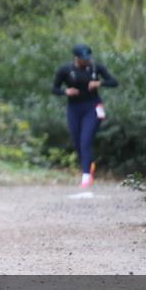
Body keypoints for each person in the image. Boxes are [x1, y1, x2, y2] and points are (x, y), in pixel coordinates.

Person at [51, 43, 118, 188]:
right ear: (76, 58)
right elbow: (54, 89)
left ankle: (86, 176)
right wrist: (66, 92)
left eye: (88, 57)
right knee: (77, 141)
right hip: (74, 108)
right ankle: (88, 166)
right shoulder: (65, 70)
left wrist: (99, 83)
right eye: (83, 58)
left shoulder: (95, 68)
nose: (86, 60)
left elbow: (114, 82)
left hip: (93, 107)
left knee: (85, 139)